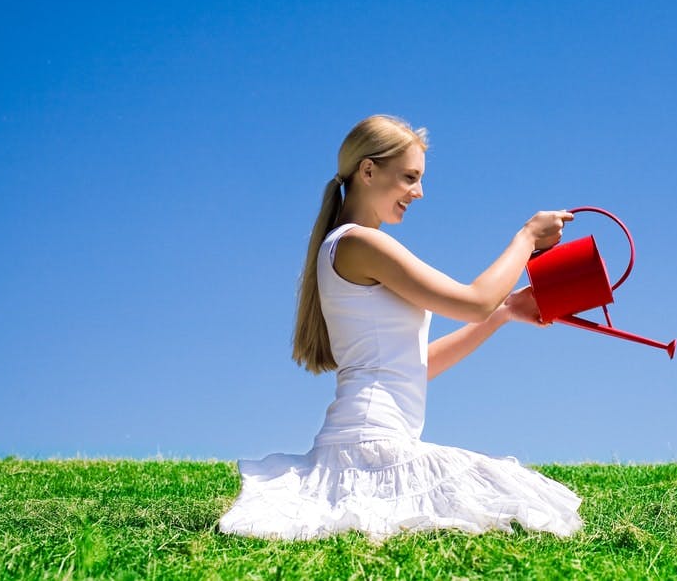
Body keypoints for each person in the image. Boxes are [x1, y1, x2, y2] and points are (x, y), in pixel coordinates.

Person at [218, 115, 583, 541]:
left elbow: (415, 365)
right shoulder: (358, 242)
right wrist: (527, 237)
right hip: (371, 446)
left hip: (367, 442)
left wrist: (504, 311)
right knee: (518, 500)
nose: (419, 192)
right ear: (368, 170)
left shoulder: (352, 244)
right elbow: (473, 301)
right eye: (410, 177)